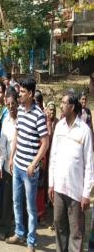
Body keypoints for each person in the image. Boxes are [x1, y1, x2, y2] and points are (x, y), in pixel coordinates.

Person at [6, 78, 49, 252]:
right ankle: (19, 233)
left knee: (30, 207)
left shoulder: (39, 115)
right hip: (17, 166)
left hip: (30, 171)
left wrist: (34, 164)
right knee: (16, 201)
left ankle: (31, 241)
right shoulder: (21, 111)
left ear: (31, 94)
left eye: (23, 92)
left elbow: (45, 143)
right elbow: (17, 134)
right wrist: (11, 157)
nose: (19, 94)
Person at [49, 92, 93, 252]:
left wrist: (86, 193)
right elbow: (53, 156)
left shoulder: (85, 131)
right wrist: (51, 184)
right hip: (59, 188)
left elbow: (89, 164)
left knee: (76, 234)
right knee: (59, 228)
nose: (60, 105)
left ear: (72, 107)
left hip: (76, 192)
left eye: (63, 102)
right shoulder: (59, 126)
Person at [0, 88, 19, 240]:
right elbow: (3, 145)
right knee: (7, 200)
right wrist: (1, 165)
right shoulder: (5, 121)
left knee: (19, 201)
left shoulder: (23, 120)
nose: (11, 106)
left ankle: (20, 230)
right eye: (8, 104)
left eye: (13, 103)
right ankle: (6, 229)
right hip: (7, 167)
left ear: (17, 102)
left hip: (21, 166)